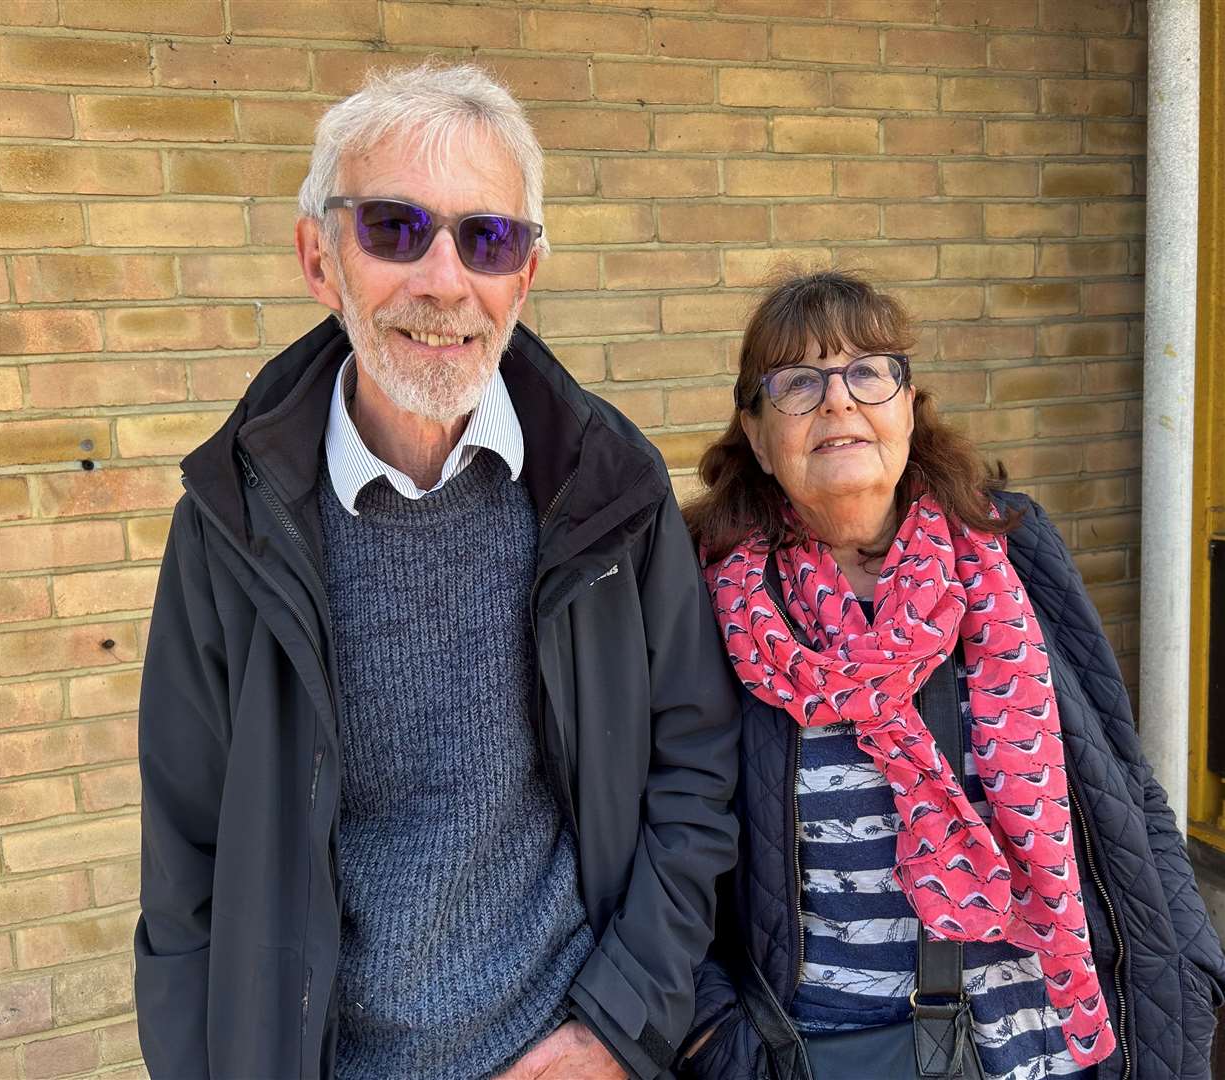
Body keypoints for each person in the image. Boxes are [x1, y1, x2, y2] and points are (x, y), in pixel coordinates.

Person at [134, 62, 739, 1080]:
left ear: (526, 278)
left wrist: (616, 1029)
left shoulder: (608, 490)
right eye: (392, 228)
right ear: (319, 260)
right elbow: (185, 866)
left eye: (487, 239)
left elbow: (694, 775)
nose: (443, 281)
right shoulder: (230, 525)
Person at [677, 270, 1225, 1080]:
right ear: (755, 437)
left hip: (1054, 1041)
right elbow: (666, 844)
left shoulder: (1012, 547)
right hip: (831, 1052)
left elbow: (1122, 776)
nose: (839, 401)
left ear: (906, 407)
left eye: (869, 371)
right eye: (797, 382)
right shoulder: (707, 602)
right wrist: (715, 1040)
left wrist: (1191, 958)